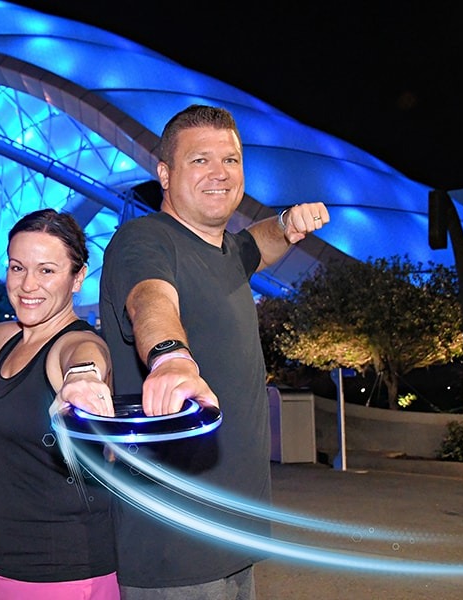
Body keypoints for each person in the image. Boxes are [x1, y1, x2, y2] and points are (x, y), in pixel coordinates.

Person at [98, 104, 330, 598]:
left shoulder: (226, 251)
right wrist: (170, 357)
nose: (221, 173)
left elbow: (258, 243)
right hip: (176, 543)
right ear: (165, 173)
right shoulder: (144, 239)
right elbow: (150, 298)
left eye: (232, 159)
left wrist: (288, 222)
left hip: (234, 532)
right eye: (201, 160)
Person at [0, 208, 119, 599]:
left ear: (78, 278)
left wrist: (84, 378)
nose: (27, 285)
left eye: (47, 270)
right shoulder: (14, 339)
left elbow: (84, 356)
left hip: (63, 577)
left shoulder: (73, 343)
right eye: (17, 268)